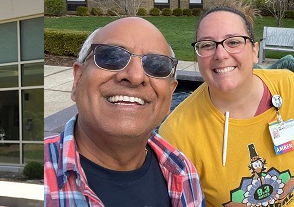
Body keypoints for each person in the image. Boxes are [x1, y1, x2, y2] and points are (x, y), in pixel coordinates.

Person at [46, 17, 203, 206]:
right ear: (78, 79)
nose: (135, 76)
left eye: (157, 65)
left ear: (170, 94)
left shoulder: (184, 174)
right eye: (112, 57)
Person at [160, 6, 294, 205]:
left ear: (255, 51)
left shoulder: (289, 87)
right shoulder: (177, 135)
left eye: (233, 42)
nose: (221, 54)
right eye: (207, 45)